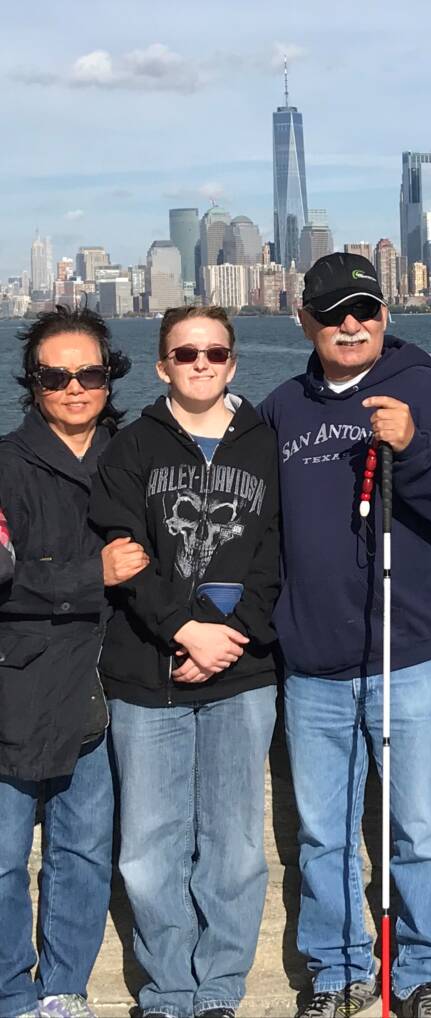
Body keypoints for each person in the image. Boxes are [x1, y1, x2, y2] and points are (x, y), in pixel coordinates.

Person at [259, 252, 431, 1018]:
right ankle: (339, 970)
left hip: (414, 655)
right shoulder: (282, 408)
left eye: (362, 310)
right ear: (306, 322)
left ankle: (425, 968)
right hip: (314, 663)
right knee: (323, 836)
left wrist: (415, 444)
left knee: (421, 827)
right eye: (331, 315)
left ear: (385, 316)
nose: (349, 325)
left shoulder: (427, 388)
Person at [89, 306, 280, 1018]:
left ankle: (221, 990)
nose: (201, 364)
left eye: (214, 352)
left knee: (234, 845)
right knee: (149, 846)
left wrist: (226, 635)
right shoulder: (132, 447)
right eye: (186, 353)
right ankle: (169, 992)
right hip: (147, 675)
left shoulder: (265, 442)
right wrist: (184, 632)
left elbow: (275, 555)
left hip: (242, 673)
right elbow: (127, 554)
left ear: (231, 362)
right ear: (163, 364)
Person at [0, 307, 144, 1018]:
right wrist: (93, 574)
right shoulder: (4, 464)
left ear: (110, 376)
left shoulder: (138, 453)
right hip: (18, 684)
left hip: (110, 684)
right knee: (1, 860)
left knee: (83, 852)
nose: (74, 387)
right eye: (55, 376)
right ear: (33, 384)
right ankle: (10, 993)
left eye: (88, 373)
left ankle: (63, 989)